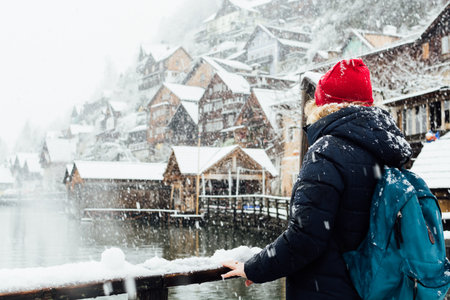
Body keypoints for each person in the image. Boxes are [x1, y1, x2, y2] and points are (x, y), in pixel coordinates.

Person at [222, 58, 412, 299]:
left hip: (326, 289)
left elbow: (304, 238)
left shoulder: (327, 152)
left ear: (322, 104)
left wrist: (253, 268)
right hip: (372, 287)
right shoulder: (385, 151)